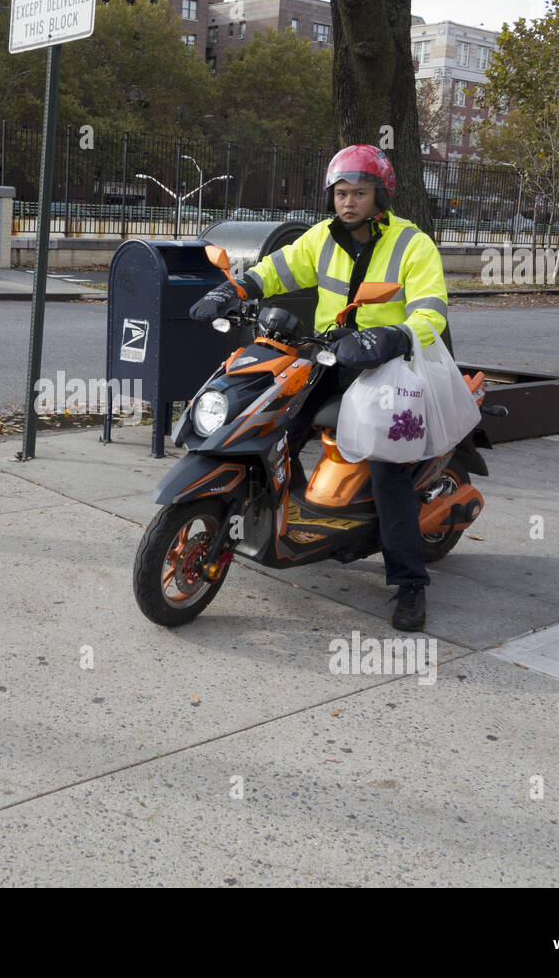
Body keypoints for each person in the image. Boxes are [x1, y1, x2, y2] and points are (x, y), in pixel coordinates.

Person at [189, 144, 450, 632]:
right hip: (329, 356)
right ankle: (294, 520)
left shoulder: (413, 244)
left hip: (387, 366)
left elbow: (432, 309)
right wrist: (233, 289)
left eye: (360, 193)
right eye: (341, 193)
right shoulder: (320, 238)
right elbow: (277, 269)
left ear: (381, 196)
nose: (348, 203)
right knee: (275, 428)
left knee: (387, 472)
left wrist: (396, 333)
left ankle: (410, 583)